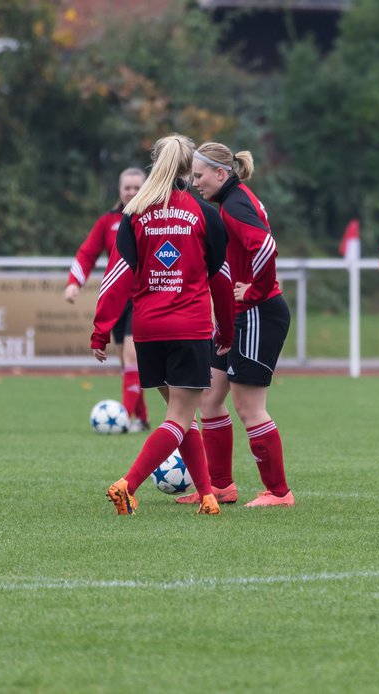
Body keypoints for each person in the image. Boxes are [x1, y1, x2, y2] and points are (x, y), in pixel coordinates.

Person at [93, 134, 235, 517]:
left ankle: (206, 495)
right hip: (188, 328)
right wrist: (226, 328)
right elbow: (221, 278)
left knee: (181, 418)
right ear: (189, 169)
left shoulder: (135, 212)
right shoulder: (205, 214)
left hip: (148, 330)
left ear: (155, 164)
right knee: (179, 417)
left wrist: (101, 327)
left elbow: (117, 274)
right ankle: (127, 484)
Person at [184, 141, 295, 508]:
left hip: (260, 312)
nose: (195, 183)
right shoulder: (234, 200)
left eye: (199, 176)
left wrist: (253, 292)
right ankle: (220, 486)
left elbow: (265, 246)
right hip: (241, 313)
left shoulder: (234, 205)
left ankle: (279, 492)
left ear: (220, 173)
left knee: (249, 406)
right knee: (209, 398)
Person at [65, 167, 152, 431]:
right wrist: (73, 284)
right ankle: (142, 418)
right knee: (126, 362)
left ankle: (123, 417)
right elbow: (87, 253)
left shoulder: (155, 217)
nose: (132, 192)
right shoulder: (109, 222)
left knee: (131, 355)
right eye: (128, 187)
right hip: (118, 300)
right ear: (119, 190)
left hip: (144, 297)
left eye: (138, 187)